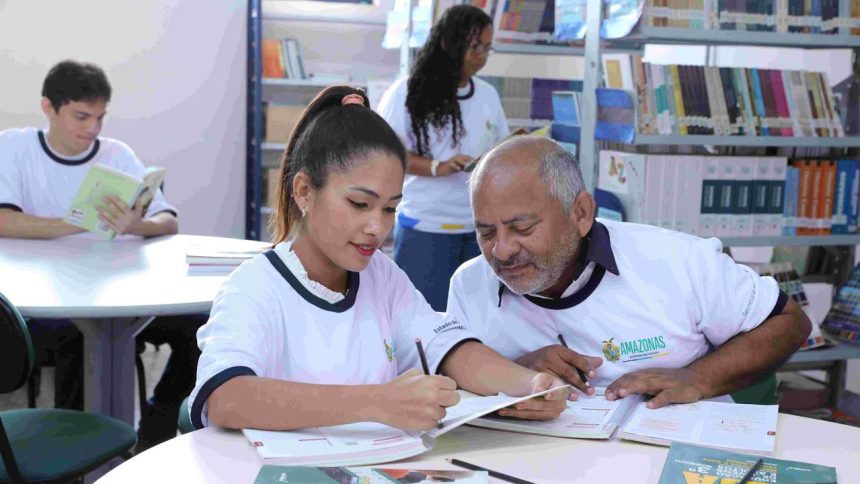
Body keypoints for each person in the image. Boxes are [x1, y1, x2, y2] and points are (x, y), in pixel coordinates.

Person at [189, 87, 570, 432]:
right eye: (359, 204)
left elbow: (449, 349)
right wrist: (378, 401)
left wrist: (529, 386)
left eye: (390, 209)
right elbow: (226, 398)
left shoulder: (381, 276)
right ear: (304, 192)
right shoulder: (255, 287)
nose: (377, 227)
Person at [447, 136, 812, 408]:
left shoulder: (675, 260)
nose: (503, 250)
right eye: (486, 232)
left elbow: (789, 322)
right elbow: (450, 381)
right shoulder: (469, 285)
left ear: (581, 214)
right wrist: (514, 370)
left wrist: (697, 378)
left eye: (523, 229)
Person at [0, 60, 203, 449]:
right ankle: (76, 455)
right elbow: (4, 220)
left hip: (121, 297)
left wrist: (135, 225)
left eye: (99, 118)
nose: (92, 129)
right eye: (81, 116)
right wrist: (76, 223)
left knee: (202, 326)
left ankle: (156, 427)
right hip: (46, 305)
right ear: (48, 107)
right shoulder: (15, 146)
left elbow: (167, 220)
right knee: (79, 338)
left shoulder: (116, 153)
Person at [377, 5, 508, 311]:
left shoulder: (488, 95)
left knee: (475, 319)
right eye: (474, 47)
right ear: (449, 44)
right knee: (425, 319)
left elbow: (501, 146)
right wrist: (438, 167)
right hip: (426, 227)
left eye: (487, 48)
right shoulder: (407, 93)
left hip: (478, 229)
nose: (482, 56)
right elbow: (386, 155)